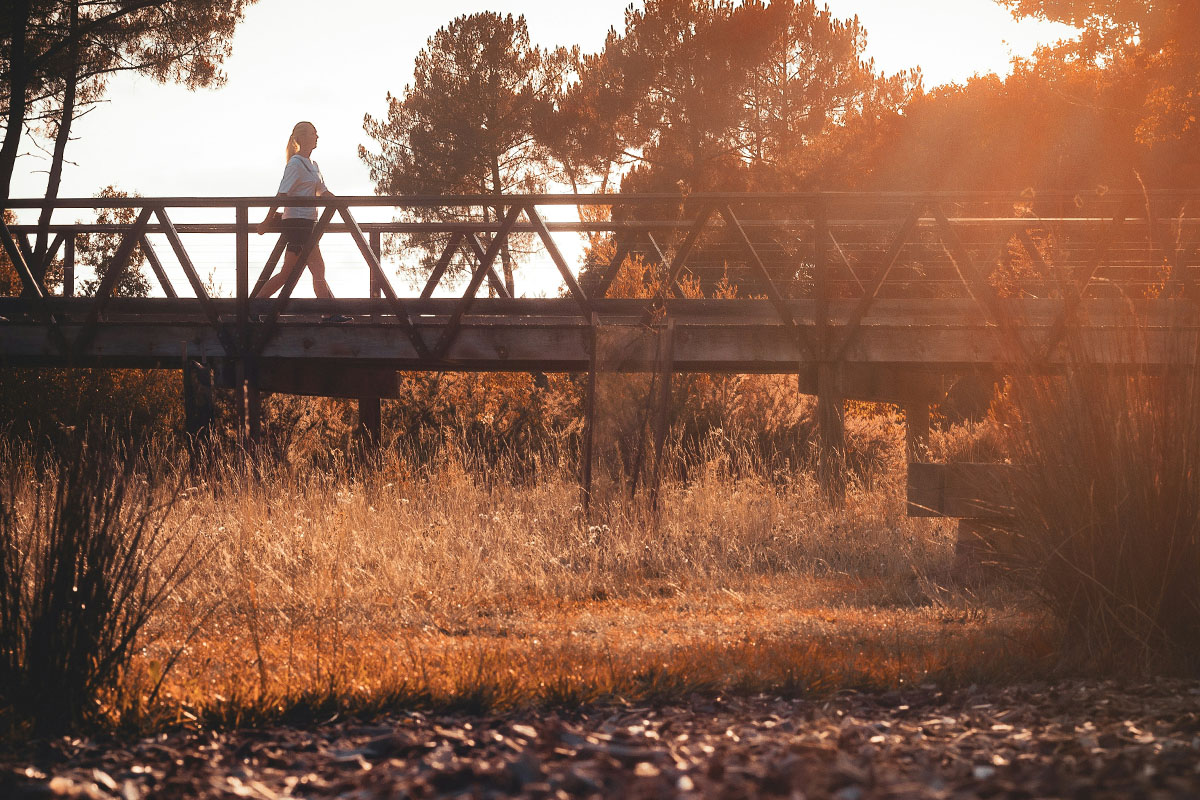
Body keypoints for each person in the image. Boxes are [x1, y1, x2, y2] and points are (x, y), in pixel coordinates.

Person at [255, 120, 350, 322]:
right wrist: (266, 221)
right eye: (313, 133)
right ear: (302, 138)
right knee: (312, 269)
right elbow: (281, 194)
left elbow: (323, 192)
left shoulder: (313, 165)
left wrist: (341, 203)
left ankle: (254, 307)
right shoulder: (295, 164)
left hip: (308, 223)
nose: (317, 137)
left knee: (295, 272)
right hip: (297, 224)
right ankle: (329, 313)